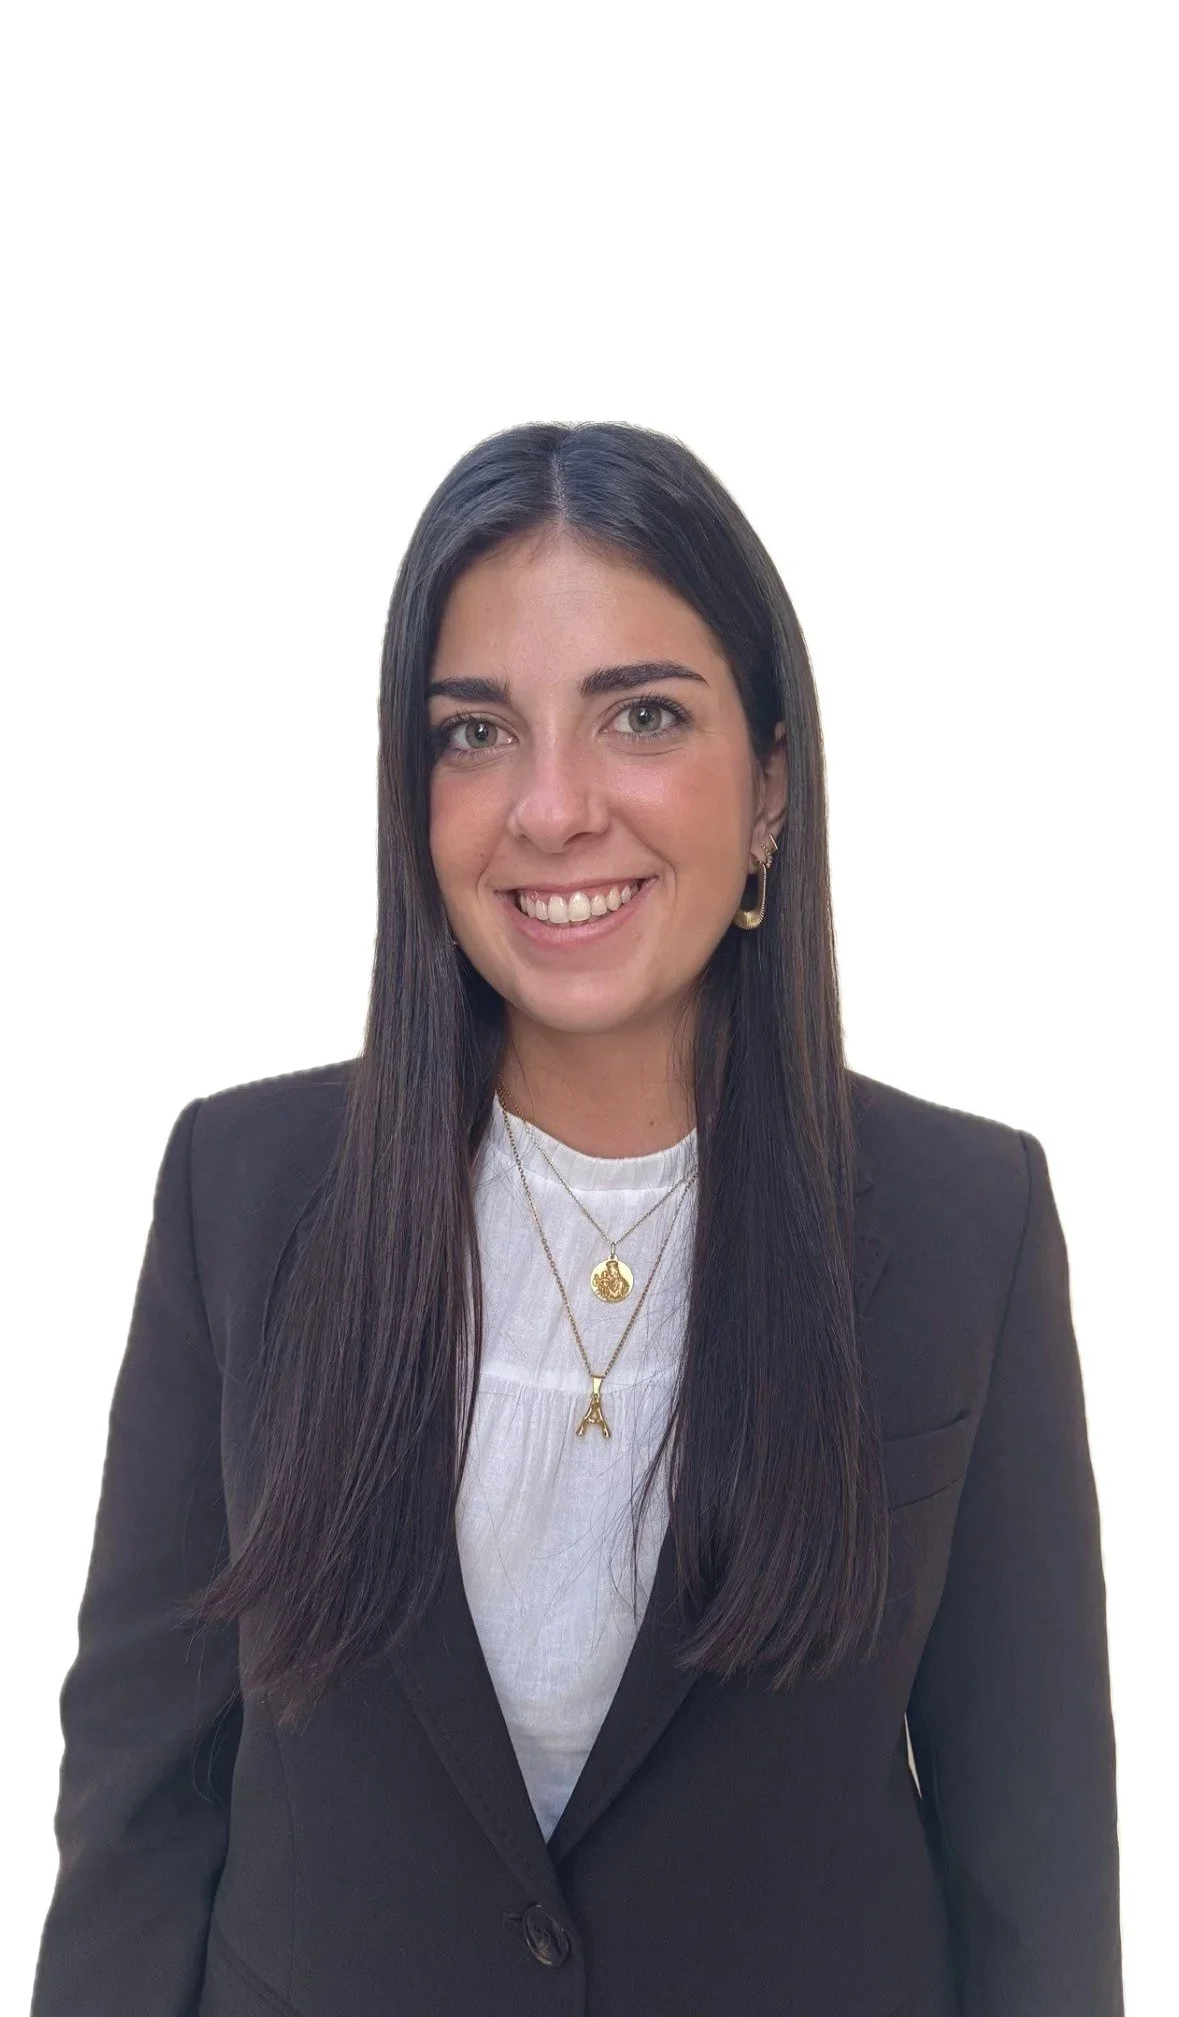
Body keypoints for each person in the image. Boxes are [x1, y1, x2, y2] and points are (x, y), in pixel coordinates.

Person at [31, 420, 1123, 2016]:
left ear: (768, 787)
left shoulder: (966, 1224)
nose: (550, 808)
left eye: (642, 717)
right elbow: (138, 1806)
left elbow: (1030, 1860)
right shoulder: (242, 1191)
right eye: (474, 733)